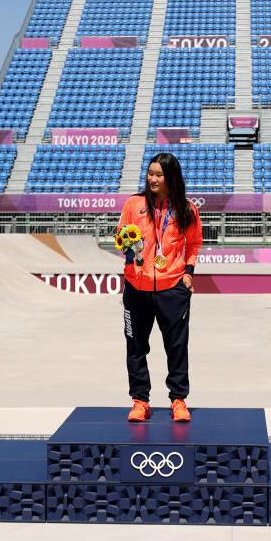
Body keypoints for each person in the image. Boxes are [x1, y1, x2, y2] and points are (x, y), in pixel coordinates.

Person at [117, 153, 203, 423]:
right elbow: (120, 235)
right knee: (136, 346)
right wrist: (125, 242)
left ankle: (178, 400)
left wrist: (188, 275)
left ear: (170, 178)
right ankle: (140, 401)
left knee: (176, 347)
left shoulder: (186, 209)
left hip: (172, 287)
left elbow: (194, 243)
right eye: (150, 173)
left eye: (158, 175)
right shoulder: (134, 204)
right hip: (136, 286)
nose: (152, 179)